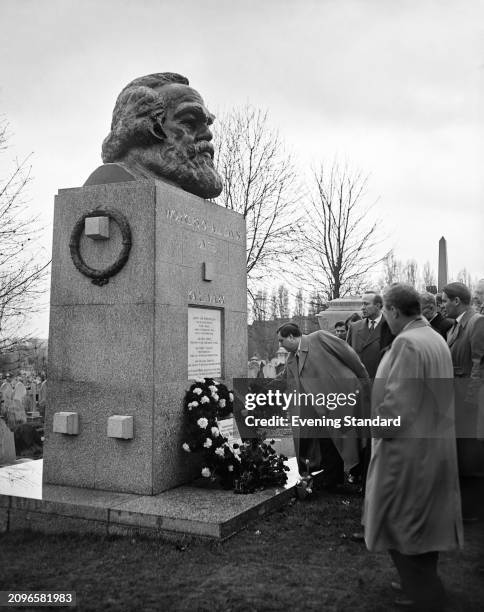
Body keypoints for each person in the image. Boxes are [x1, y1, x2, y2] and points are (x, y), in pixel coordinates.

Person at [363, 284, 463, 611]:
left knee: (398, 521)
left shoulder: (407, 343)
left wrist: (373, 426)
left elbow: (398, 406)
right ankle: (415, 582)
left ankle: (424, 592)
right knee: (423, 523)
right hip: (433, 446)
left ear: (392, 310)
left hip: (407, 453)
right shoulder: (434, 338)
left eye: (386, 314)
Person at [85, 72, 223, 200]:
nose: (208, 134)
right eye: (189, 122)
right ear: (147, 128)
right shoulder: (114, 180)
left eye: (207, 123)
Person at [274, 322, 370, 487]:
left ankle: (359, 477)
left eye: (281, 340)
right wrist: (257, 389)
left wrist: (365, 384)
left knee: (352, 440)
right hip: (320, 410)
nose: (280, 345)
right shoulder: (291, 359)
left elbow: (350, 356)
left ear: (291, 337)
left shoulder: (319, 337)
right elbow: (283, 380)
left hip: (343, 398)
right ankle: (334, 480)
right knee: (328, 443)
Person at [442, 282, 484, 520]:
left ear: (457, 301)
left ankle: (472, 510)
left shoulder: (477, 323)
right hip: (457, 399)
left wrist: (470, 400)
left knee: (471, 454)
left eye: (445, 300)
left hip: (470, 401)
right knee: (461, 453)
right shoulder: (454, 328)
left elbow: (479, 363)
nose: (442, 305)